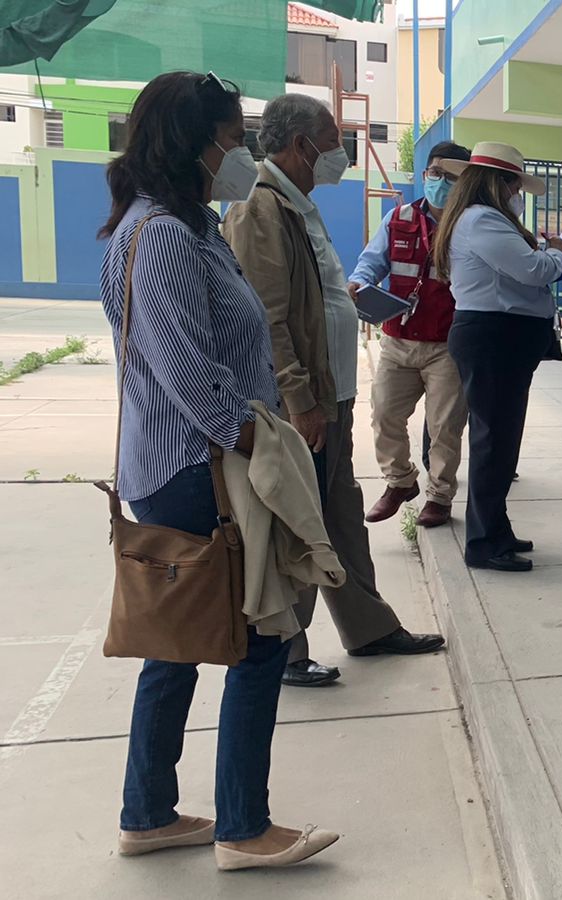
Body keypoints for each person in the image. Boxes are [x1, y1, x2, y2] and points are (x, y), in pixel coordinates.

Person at [98, 70, 339, 870]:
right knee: (262, 633)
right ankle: (243, 826)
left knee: (176, 640)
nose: (240, 151)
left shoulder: (179, 224)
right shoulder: (163, 234)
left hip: (183, 462)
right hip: (198, 467)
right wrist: (260, 445)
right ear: (193, 140)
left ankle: (149, 813)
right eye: (232, 137)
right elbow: (186, 374)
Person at [222, 93, 444, 686]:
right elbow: (265, 318)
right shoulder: (259, 211)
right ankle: (285, 651)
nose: (338, 156)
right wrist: (299, 400)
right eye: (332, 144)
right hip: (305, 404)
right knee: (298, 521)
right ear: (301, 147)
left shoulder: (298, 204)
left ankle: (369, 628)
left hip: (332, 395)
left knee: (340, 513)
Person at [432, 141, 562, 572]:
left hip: (501, 340)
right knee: (492, 444)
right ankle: (485, 544)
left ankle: (496, 529)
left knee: (501, 443)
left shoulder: (483, 220)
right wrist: (560, 249)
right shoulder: (483, 219)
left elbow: (530, 269)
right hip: (494, 339)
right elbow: (534, 270)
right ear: (499, 183)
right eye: (514, 185)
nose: (517, 194)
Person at [348, 140, 472, 530]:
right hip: (398, 340)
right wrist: (358, 284)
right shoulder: (399, 218)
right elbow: (371, 263)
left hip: (448, 345)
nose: (440, 182)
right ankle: (400, 482)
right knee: (383, 414)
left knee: (445, 428)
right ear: (425, 175)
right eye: (435, 173)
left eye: (451, 177)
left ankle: (439, 496)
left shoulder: (473, 225)